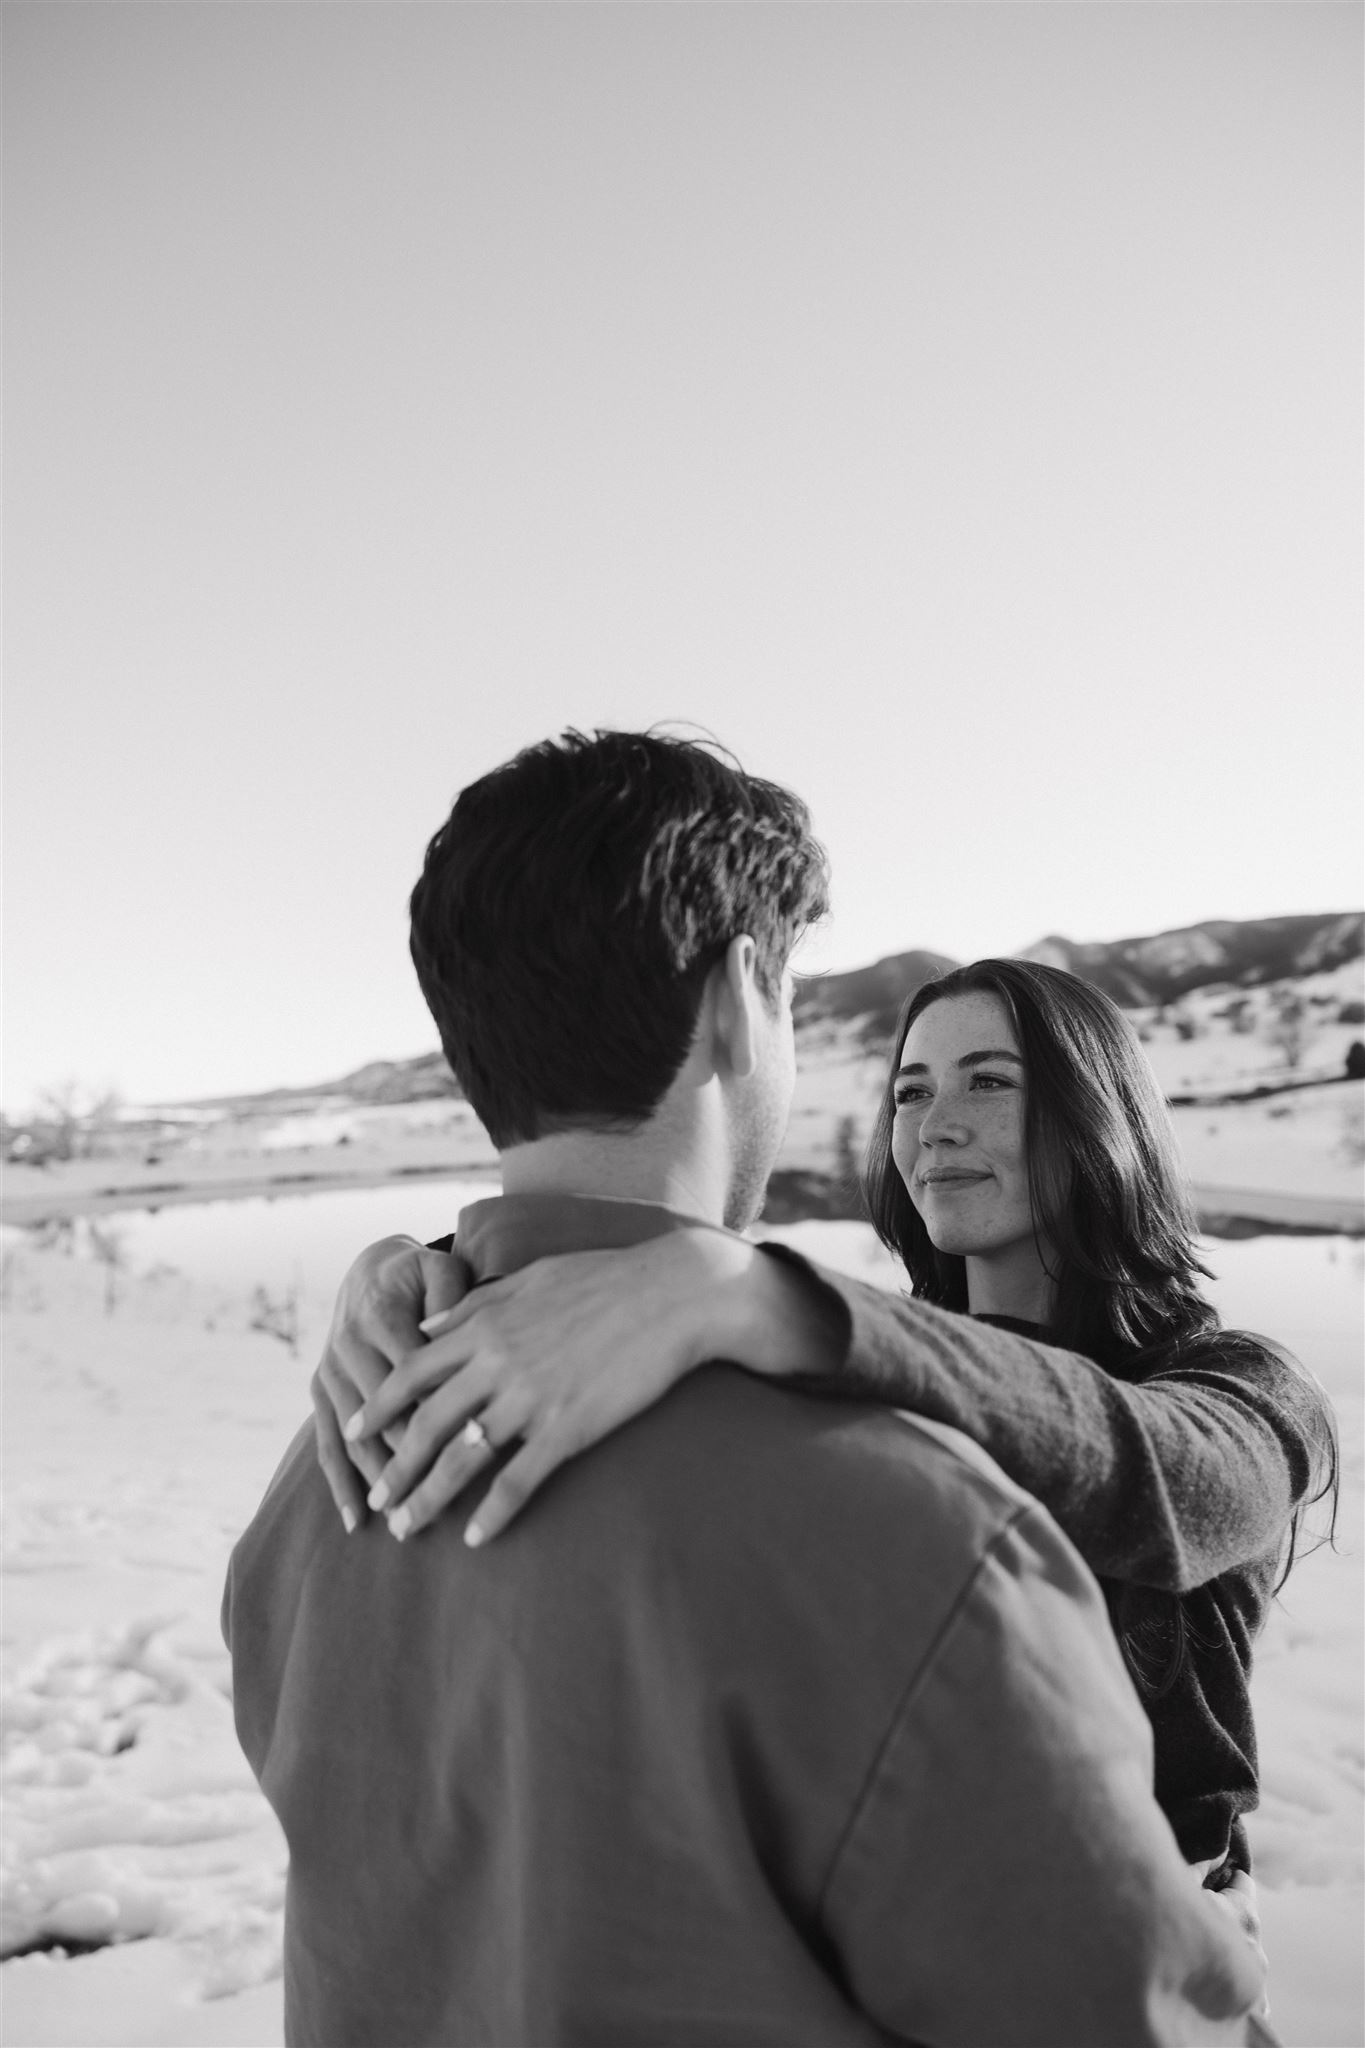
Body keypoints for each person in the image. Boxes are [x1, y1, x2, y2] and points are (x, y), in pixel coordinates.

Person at [228, 729, 1268, 2047]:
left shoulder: (323, 1490)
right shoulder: (913, 1537)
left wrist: (746, 1294)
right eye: (908, 1087)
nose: (932, 1123)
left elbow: (1173, 1467)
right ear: (737, 1001)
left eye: (990, 1083)